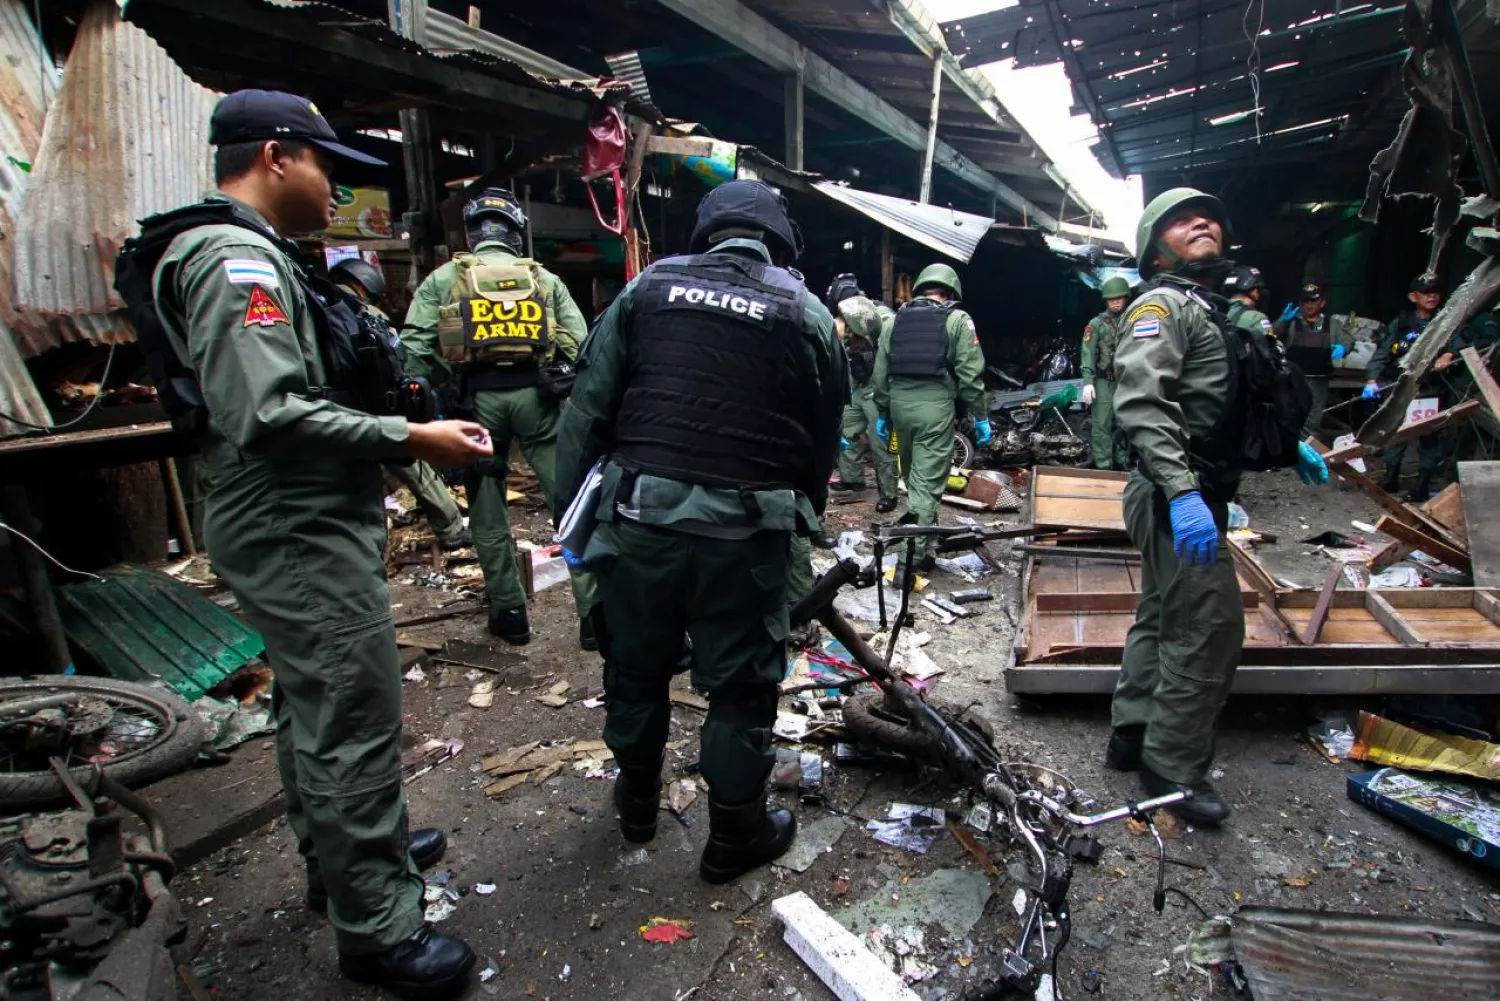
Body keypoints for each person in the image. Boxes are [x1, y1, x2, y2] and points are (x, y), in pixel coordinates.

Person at [132, 90, 484, 996]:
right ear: (279, 155)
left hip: (297, 512)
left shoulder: (251, 253)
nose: (337, 190)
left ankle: (343, 866)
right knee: (355, 715)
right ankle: (379, 929)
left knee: (312, 701)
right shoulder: (231, 258)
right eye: (329, 168)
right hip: (292, 517)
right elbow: (267, 412)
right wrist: (413, 439)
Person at [554, 180, 846, 883]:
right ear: (777, 241)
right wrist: (799, 519)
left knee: (636, 667)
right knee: (742, 687)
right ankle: (735, 834)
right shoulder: (804, 310)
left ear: (706, 232)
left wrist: (574, 522)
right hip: (745, 538)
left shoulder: (649, 290)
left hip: (637, 524)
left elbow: (587, 410)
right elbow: (824, 434)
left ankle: (638, 806)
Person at [1107, 188, 1327, 827]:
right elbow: (1143, 404)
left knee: (1163, 610)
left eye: (1209, 215)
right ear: (1154, 247)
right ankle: (1170, 773)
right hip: (1177, 491)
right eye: (1180, 218)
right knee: (1209, 631)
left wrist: (1296, 446)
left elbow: (1234, 402)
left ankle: (1133, 732)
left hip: (1193, 490)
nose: (1201, 221)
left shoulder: (1218, 311)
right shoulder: (1163, 305)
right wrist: (1183, 495)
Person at [400, 188, 597, 647]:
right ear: (515, 233)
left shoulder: (446, 278)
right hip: (538, 400)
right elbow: (579, 341)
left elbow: (413, 349)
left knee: (488, 511)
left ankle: (510, 614)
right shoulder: (543, 280)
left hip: (476, 405)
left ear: (471, 233)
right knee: (568, 506)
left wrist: (440, 387)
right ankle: (593, 619)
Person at [331, 257, 472, 551]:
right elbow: (399, 358)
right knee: (417, 471)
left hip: (335, 415)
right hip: (379, 409)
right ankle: (452, 529)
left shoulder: (319, 307)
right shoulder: (367, 314)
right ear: (363, 285)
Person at [871, 263, 990, 570]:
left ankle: (927, 547)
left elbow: (880, 374)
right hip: (934, 411)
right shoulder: (957, 320)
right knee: (926, 485)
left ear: (921, 289)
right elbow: (970, 374)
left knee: (914, 480)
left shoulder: (894, 321)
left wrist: (884, 413)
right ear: (950, 294)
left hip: (899, 409)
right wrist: (980, 415)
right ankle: (907, 561)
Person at [1365, 272, 1451, 501]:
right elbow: (1383, 352)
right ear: (1413, 297)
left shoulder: (1446, 321)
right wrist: (1372, 379)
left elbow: (1463, 342)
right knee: (1395, 432)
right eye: (1425, 293)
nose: (1432, 296)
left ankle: (1422, 484)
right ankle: (1391, 477)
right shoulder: (1402, 322)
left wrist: (1449, 354)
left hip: (1432, 390)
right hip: (1401, 388)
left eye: (1435, 292)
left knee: (1429, 437)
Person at [829, 275, 899, 512]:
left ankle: (889, 492)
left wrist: (886, 403)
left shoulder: (884, 321)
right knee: (846, 431)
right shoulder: (845, 323)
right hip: (857, 386)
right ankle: (852, 479)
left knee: (881, 442)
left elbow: (887, 364)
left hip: (877, 389)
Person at [1271, 282, 1342, 439]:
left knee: (1312, 421)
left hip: (1318, 381)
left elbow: (1347, 341)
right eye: (1305, 301)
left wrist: (1343, 348)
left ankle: (1304, 455)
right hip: (1292, 380)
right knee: (1288, 416)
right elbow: (1270, 336)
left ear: (1322, 302)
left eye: (1314, 301)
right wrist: (1283, 321)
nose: (1309, 305)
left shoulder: (1333, 324)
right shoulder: (1291, 322)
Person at [1080, 276, 1131, 470]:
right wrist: (1088, 381)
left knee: (1124, 423)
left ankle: (1122, 461)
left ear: (1126, 298)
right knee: (1102, 424)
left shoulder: (1133, 321)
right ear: (1106, 301)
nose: (1116, 302)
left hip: (1127, 381)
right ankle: (1103, 465)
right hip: (1104, 381)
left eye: (1119, 298)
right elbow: (1088, 353)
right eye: (1112, 299)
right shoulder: (1096, 324)